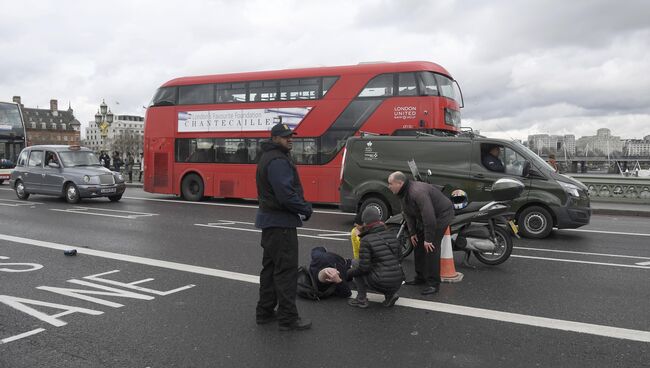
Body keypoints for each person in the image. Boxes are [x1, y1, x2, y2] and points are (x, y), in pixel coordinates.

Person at [255, 123, 313, 331]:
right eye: (285, 137)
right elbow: (286, 195)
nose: (290, 139)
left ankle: (264, 312)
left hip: (269, 223)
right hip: (282, 224)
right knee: (286, 271)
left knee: (270, 269)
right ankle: (288, 318)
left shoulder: (267, 157)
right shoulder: (278, 160)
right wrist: (305, 208)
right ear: (274, 138)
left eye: (291, 136)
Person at [387, 171, 454, 295]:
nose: (388, 186)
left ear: (400, 183)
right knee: (417, 242)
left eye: (390, 183)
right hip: (426, 217)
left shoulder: (417, 192)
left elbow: (429, 217)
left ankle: (434, 284)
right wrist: (413, 233)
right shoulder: (402, 192)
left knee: (431, 247)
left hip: (441, 215)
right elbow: (407, 214)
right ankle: (421, 277)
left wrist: (428, 239)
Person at [347, 206, 404, 308]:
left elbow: (363, 268)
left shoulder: (366, 240)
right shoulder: (391, 234)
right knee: (384, 267)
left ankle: (361, 299)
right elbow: (399, 258)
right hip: (398, 281)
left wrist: (349, 273)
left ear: (365, 222)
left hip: (381, 282)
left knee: (356, 263)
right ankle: (390, 295)